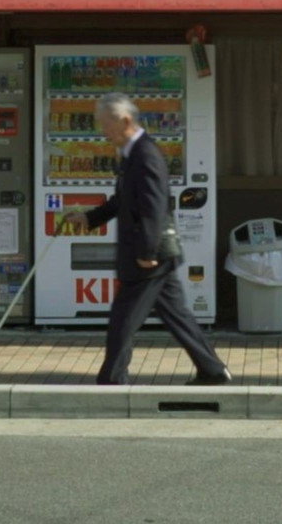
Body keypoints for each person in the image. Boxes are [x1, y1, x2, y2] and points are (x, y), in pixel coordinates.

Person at [63, 92, 231, 386]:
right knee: (177, 316)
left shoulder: (145, 154)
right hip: (153, 255)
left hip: (148, 256)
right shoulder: (132, 154)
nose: (103, 131)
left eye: (106, 124)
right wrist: (90, 218)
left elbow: (154, 207)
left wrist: (147, 251)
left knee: (123, 320)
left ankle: (112, 380)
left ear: (125, 121)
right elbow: (122, 201)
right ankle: (213, 370)